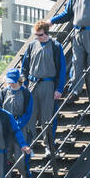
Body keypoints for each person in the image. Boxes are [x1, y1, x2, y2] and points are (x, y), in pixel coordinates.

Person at [20, 20, 67, 163]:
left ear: (46, 33)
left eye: (40, 35)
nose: (37, 37)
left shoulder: (56, 47)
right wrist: (25, 84)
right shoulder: (32, 45)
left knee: (48, 118)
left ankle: (49, 146)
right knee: (30, 117)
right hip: (33, 84)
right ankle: (30, 145)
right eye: (36, 35)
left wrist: (59, 89)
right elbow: (25, 67)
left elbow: (62, 69)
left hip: (48, 84)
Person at [0, 67, 35, 178]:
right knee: (6, 158)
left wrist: (17, 125)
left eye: (13, 81)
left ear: (19, 80)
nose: (11, 84)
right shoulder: (2, 94)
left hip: (21, 128)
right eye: (9, 81)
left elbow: (28, 113)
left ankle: (26, 177)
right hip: (6, 130)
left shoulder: (26, 94)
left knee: (20, 157)